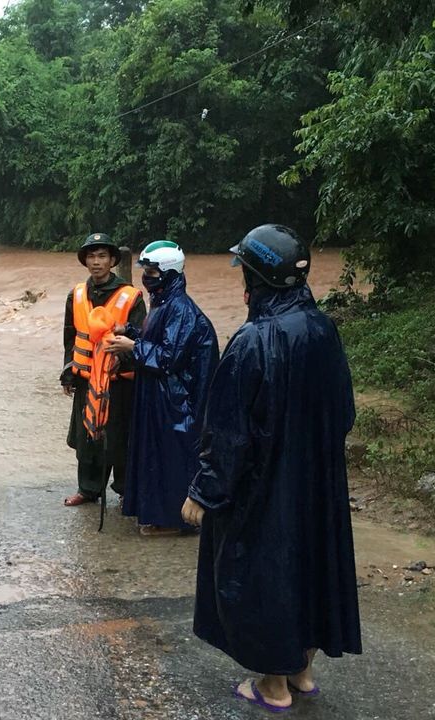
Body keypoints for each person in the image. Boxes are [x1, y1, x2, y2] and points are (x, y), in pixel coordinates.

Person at [181, 224, 361, 712]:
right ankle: (302, 672)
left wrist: (204, 491)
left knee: (265, 575)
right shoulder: (324, 329)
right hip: (317, 485)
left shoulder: (252, 341)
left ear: (255, 280)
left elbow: (228, 434)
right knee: (310, 566)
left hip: (265, 490)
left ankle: (273, 685)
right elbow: (344, 412)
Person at [107, 240, 218, 536]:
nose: (147, 276)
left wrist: (133, 346)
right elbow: (156, 340)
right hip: (162, 397)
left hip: (178, 402)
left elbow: (170, 358)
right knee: (155, 456)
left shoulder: (179, 308)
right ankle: (157, 514)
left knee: (171, 460)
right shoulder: (163, 302)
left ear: (168, 272)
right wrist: (130, 332)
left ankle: (172, 520)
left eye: (153, 271)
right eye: (146, 270)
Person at [61, 233, 146, 507]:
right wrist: (68, 371)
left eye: (102, 256)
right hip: (86, 380)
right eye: (91, 256)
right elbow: (70, 337)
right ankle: (88, 489)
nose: (96, 262)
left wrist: (123, 361)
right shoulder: (75, 295)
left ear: (112, 261)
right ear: (84, 260)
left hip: (118, 382)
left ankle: (124, 490)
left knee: (120, 438)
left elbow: (140, 340)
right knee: (88, 439)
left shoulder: (131, 297)